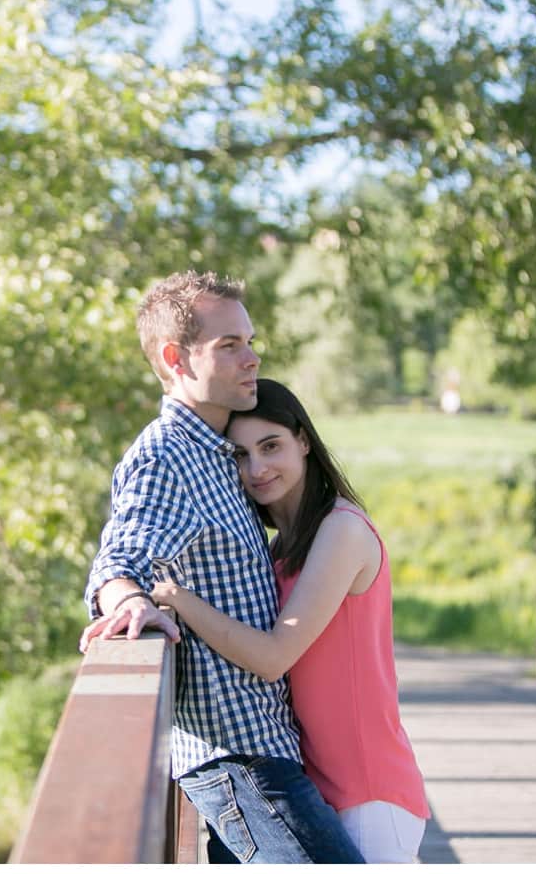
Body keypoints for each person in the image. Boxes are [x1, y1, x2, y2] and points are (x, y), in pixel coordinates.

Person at [79, 271, 363, 864]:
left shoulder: (222, 456)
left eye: (251, 341)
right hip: (239, 760)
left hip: (268, 750)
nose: (252, 358)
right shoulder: (166, 455)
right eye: (229, 346)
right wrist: (129, 601)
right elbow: (118, 559)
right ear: (174, 359)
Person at [149, 378, 430, 863]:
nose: (257, 468)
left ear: (303, 440)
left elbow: (274, 656)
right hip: (314, 783)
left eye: (271, 446)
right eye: (240, 455)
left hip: (367, 790)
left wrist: (174, 597)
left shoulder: (341, 529)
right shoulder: (279, 550)